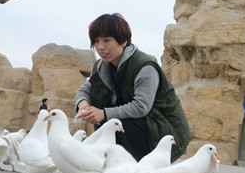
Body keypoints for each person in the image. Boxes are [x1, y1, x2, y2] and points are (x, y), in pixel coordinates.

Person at [75, 13, 190, 162]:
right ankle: (114, 165)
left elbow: (141, 106)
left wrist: (104, 113)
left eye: (106, 40)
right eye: (96, 41)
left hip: (163, 130)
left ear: (123, 41)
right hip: (140, 124)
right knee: (109, 121)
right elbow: (85, 90)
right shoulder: (102, 66)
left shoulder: (144, 67)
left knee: (115, 122)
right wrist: (83, 104)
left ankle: (128, 166)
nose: (100, 47)